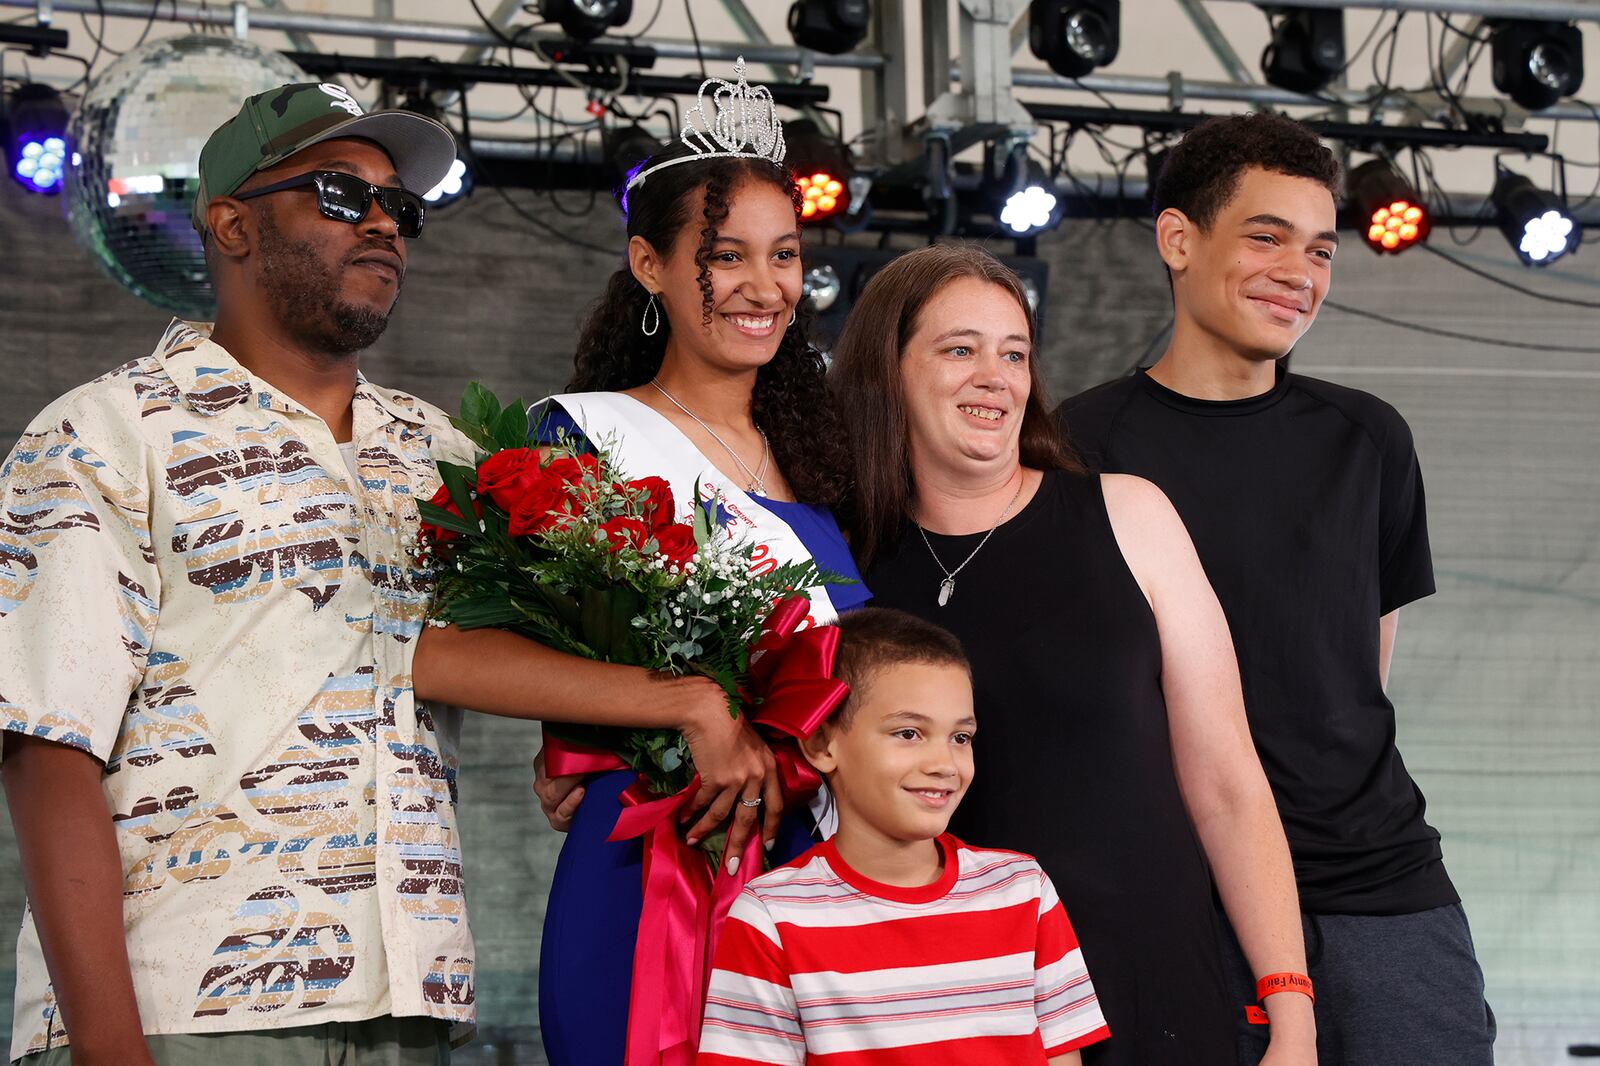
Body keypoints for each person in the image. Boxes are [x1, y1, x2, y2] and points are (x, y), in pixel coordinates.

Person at [0, 82, 471, 1064]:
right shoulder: (104, 433)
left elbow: (490, 656)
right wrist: (111, 1050)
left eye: (400, 206)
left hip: (413, 1010)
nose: (382, 222)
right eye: (342, 195)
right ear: (232, 225)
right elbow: (50, 755)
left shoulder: (443, 455)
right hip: (185, 1018)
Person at [1057, 113, 1494, 1066]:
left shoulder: (1369, 439)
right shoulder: (1078, 449)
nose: (1298, 271)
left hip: (1382, 884)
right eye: (1265, 236)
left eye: (1320, 248)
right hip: (1186, 894)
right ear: (1178, 240)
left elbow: (1358, 675)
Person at [830, 243, 1316, 1066]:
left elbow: (1229, 782)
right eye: (960, 349)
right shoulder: (840, 560)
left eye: (1014, 352)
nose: (997, 376)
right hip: (945, 1005)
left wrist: (1291, 1011)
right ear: (888, 370)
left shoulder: (1128, 516)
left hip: (1150, 983)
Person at [496, 60, 868, 1064]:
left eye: (783, 254)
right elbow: (482, 647)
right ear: (651, 265)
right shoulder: (587, 438)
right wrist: (651, 715)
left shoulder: (823, 455)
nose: (764, 286)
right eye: (726, 255)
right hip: (655, 853)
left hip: (818, 861)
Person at [699, 607, 1110, 1066]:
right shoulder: (773, 916)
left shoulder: (1022, 890)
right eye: (909, 733)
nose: (944, 763)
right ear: (821, 745)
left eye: (961, 737)